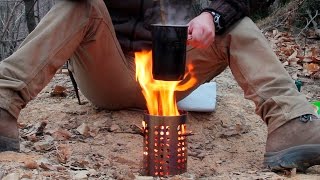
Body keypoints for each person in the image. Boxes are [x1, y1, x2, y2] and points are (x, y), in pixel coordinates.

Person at [0, 0, 319, 172]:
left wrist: (213, 15)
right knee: (81, 7)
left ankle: (290, 122)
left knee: (235, 25)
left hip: (172, 71)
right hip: (108, 68)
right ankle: (4, 100)